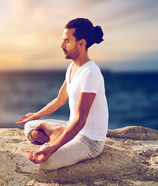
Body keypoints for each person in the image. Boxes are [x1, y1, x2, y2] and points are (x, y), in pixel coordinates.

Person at [17, 18, 108, 170]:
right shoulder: (72, 68)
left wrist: (52, 147)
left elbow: (81, 119)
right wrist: (36, 115)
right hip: (71, 126)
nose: (61, 46)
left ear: (81, 43)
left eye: (67, 41)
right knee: (29, 126)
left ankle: (54, 133)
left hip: (89, 140)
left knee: (45, 161)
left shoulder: (90, 72)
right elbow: (60, 99)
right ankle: (55, 131)